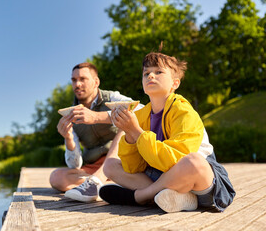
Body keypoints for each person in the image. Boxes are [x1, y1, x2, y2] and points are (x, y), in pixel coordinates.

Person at [99, 51, 235, 213]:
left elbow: (176, 159)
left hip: (200, 182)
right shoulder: (141, 115)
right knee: (110, 165)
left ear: (175, 83)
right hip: (163, 177)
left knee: (193, 161)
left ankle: (142, 197)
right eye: (146, 73)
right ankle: (178, 199)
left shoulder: (183, 110)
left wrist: (136, 132)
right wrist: (130, 135)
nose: (151, 76)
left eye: (158, 72)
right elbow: (133, 168)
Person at [49, 62, 142, 203]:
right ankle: (110, 185)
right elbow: (75, 165)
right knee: (56, 177)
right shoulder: (70, 114)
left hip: (121, 160)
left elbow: (141, 109)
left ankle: (98, 182)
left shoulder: (111, 97)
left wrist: (96, 117)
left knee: (125, 124)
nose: (77, 84)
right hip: (93, 166)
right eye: (74, 80)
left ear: (96, 82)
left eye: (82, 79)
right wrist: (68, 138)